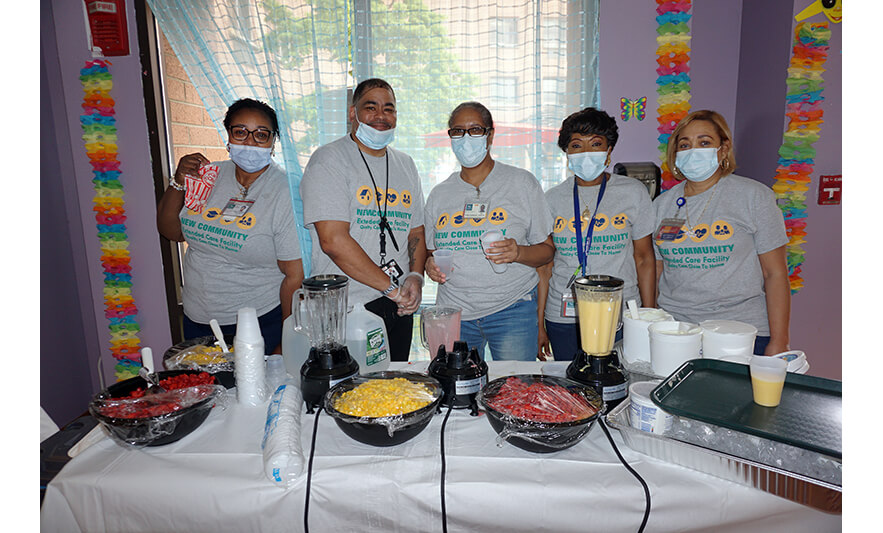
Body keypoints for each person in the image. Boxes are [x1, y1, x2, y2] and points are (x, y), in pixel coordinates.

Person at [157, 98, 304, 353]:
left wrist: (286, 339)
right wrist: (178, 181)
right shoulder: (208, 176)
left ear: (273, 141)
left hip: (257, 323)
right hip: (197, 320)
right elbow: (171, 231)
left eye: (261, 135)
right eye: (240, 132)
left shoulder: (287, 192)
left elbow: (295, 276)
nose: (249, 142)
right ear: (228, 136)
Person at [300, 78, 427, 362]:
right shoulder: (329, 160)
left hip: (398, 306)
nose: (381, 116)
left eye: (389, 109)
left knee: (393, 391)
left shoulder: (405, 164)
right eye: (371, 107)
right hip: (347, 311)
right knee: (352, 396)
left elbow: (415, 230)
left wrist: (416, 278)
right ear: (352, 113)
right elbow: (333, 241)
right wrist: (392, 288)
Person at [652, 109, 790, 355]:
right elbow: (657, 270)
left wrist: (779, 341)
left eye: (704, 142)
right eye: (685, 145)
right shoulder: (662, 205)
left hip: (740, 331)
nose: (693, 150)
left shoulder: (754, 197)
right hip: (677, 330)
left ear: (723, 149)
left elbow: (775, 274)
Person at [424, 101, 554, 361]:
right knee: (459, 390)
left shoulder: (521, 183)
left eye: (475, 130)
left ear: (490, 135)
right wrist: (430, 266)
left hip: (512, 309)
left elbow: (547, 252)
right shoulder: (439, 194)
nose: (466, 138)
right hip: (454, 314)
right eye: (458, 131)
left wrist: (517, 252)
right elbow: (432, 253)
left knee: (514, 391)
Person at [538, 108, 656, 361]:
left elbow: (645, 258)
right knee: (571, 388)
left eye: (596, 144)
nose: (586, 153)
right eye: (577, 145)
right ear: (567, 153)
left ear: (609, 150)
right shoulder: (551, 199)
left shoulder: (633, 192)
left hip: (620, 312)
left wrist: (648, 315)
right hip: (564, 314)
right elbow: (546, 267)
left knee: (617, 382)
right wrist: (539, 324)